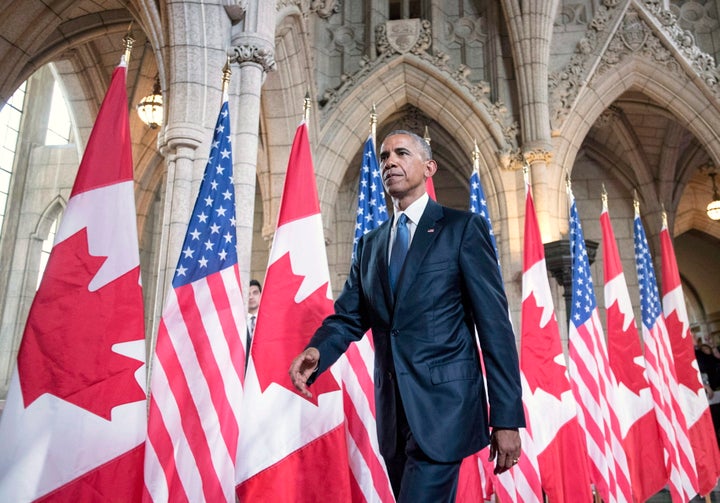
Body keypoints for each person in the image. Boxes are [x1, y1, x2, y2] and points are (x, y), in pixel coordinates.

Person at [289, 130, 524, 502]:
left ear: (429, 167)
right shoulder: (370, 244)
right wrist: (319, 351)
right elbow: (349, 316)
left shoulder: (462, 229)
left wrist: (507, 417)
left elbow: (495, 327)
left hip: (445, 410)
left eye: (401, 153)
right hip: (394, 418)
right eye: (384, 157)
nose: (390, 162)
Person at [246, 279, 262, 347]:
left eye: (255, 293)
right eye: (248, 294)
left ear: (261, 295)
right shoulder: (238, 322)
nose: (251, 297)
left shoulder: (270, 321)